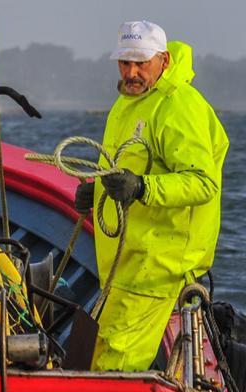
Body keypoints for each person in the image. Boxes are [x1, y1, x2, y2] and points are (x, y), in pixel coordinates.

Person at [74, 21, 228, 371]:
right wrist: (95, 191)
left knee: (114, 361)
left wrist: (142, 188)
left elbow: (203, 182)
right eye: (125, 62)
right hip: (127, 261)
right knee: (101, 350)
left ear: (164, 60)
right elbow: (122, 167)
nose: (132, 72)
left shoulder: (177, 106)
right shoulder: (129, 102)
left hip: (158, 261)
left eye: (141, 63)